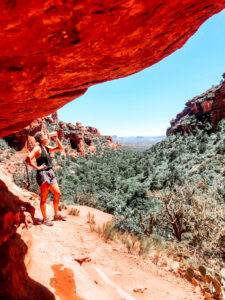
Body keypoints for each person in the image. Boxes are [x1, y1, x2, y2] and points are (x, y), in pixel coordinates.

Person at [26, 130, 66, 226]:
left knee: (57, 193)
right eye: (45, 135)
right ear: (41, 138)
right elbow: (28, 158)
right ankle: (45, 219)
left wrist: (56, 139)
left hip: (50, 172)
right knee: (44, 198)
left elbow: (60, 148)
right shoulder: (37, 148)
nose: (47, 135)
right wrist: (37, 167)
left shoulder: (46, 148)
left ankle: (56, 215)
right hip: (43, 174)